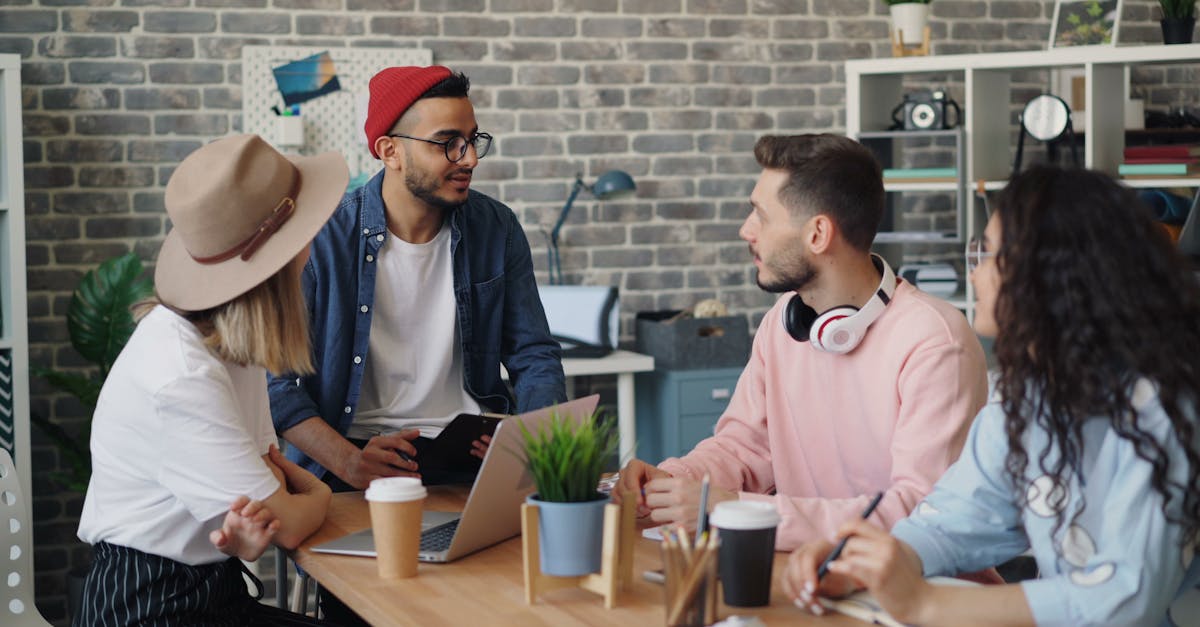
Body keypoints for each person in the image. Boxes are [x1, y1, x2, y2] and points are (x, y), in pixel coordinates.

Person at [785, 165, 1200, 626]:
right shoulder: (1023, 405)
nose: (976, 274)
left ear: (1049, 275)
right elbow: (953, 523)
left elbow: (1126, 595)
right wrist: (868, 565)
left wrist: (926, 605)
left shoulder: (1161, 407)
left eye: (989, 254)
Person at [616, 133, 989, 551]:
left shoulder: (934, 341)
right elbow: (743, 449)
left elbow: (917, 513)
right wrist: (674, 481)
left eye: (761, 215)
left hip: (920, 597)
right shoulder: (783, 323)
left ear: (817, 234)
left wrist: (730, 510)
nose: (746, 231)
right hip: (813, 580)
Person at [74, 134, 342, 625]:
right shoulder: (181, 374)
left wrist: (284, 497)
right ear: (276, 265)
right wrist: (320, 493)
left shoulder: (231, 345)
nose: (311, 244)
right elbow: (285, 525)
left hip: (213, 593)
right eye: (303, 233)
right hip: (148, 607)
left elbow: (272, 472)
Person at [268, 65, 566, 491]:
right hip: (351, 464)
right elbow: (272, 381)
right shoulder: (321, 238)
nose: (470, 158)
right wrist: (349, 462)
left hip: (469, 461)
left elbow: (533, 354)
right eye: (448, 143)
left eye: (472, 140)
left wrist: (535, 448)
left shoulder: (497, 228)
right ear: (390, 151)